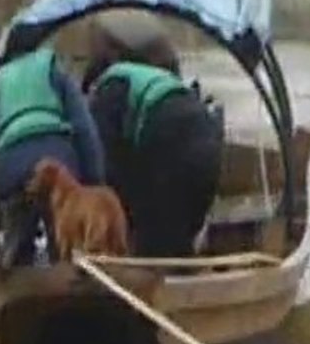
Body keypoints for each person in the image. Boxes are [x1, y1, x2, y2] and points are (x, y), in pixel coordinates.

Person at [0, 37, 106, 269]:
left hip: (13, 170)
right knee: (64, 250)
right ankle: (64, 272)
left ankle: (15, 270)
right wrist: (94, 188)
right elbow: (86, 132)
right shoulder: (57, 76)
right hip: (61, 168)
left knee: (18, 247)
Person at [86, 59, 223, 258]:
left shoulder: (107, 87)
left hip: (170, 139)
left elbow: (107, 165)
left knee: (153, 247)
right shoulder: (148, 79)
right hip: (208, 138)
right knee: (179, 242)